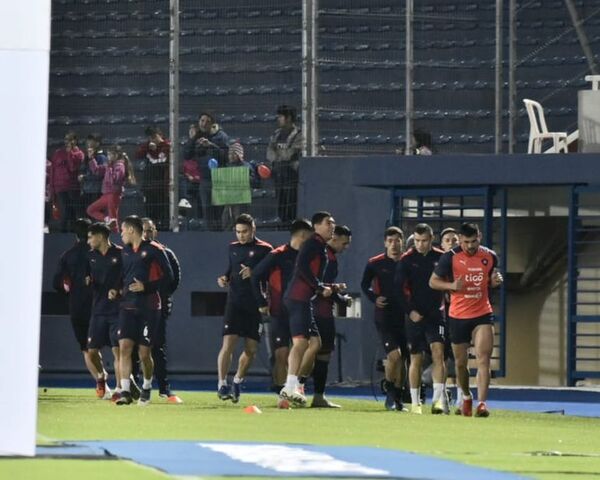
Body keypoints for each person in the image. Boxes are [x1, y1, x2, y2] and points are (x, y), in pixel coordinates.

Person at [429, 222, 503, 417]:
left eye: (474, 241)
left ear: (480, 237)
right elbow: (433, 282)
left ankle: (482, 404)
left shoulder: (490, 256)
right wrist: (452, 285)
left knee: (483, 359)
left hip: (482, 313)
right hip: (458, 315)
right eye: (467, 242)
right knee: (461, 364)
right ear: (460, 240)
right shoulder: (449, 258)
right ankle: (467, 396)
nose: (471, 246)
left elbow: (491, 278)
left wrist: (494, 281)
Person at [115, 215, 175, 406]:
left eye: (123, 230)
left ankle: (147, 386)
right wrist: (115, 290)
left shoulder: (155, 250)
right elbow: (122, 276)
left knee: (144, 353)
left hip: (150, 307)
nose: (121, 234)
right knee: (124, 347)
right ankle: (125, 391)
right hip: (127, 306)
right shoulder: (124, 251)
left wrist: (147, 287)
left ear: (131, 230)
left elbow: (169, 278)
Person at [251, 219, 314, 396]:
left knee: (306, 347)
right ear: (303, 235)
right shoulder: (278, 254)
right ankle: (282, 392)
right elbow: (256, 276)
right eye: (310, 236)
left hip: (300, 310)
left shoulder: (308, 257)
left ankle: (297, 387)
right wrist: (261, 303)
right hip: (279, 312)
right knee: (281, 354)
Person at [279, 211, 336, 406]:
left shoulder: (319, 245)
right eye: (328, 223)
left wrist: (327, 288)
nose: (332, 226)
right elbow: (302, 267)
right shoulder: (313, 243)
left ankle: (294, 385)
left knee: (315, 343)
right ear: (317, 226)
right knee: (301, 343)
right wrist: (319, 287)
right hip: (298, 298)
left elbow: (309, 271)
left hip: (303, 299)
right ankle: (289, 386)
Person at [216, 214, 273, 403]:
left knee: (251, 349)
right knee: (228, 344)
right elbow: (230, 270)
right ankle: (222, 384)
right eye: (238, 232)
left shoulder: (265, 249)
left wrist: (254, 272)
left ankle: (238, 381)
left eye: (244, 231)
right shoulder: (232, 248)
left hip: (255, 305)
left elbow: (271, 276)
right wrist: (223, 278)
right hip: (234, 303)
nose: (241, 235)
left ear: (253, 229)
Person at [396, 223, 446, 414]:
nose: (420, 244)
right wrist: (410, 311)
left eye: (424, 241)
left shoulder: (441, 257)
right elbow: (398, 289)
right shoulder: (407, 260)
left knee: (438, 353)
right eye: (417, 241)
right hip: (415, 316)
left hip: (435, 314)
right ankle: (415, 402)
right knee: (415, 357)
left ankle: (437, 400)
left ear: (431, 239)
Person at [52, 218, 107, 396]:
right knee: (115, 346)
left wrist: (68, 289)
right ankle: (121, 385)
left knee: (86, 348)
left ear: (74, 234)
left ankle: (102, 383)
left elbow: (57, 283)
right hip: (101, 305)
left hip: (78, 307)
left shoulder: (68, 255)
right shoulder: (98, 253)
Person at [303, 225, 352, 408]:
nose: (345, 247)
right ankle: (297, 389)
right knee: (317, 352)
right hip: (319, 311)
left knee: (319, 353)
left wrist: (335, 289)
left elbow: (323, 284)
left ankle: (314, 395)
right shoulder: (327, 257)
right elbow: (322, 288)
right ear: (335, 238)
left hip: (316, 309)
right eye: (344, 243)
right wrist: (340, 299)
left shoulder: (323, 255)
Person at [360, 226, 407, 411]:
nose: (394, 245)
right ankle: (389, 387)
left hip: (405, 316)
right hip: (384, 316)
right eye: (390, 241)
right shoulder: (375, 263)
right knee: (394, 356)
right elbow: (364, 284)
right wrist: (374, 298)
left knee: (404, 359)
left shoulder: (408, 262)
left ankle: (398, 396)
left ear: (402, 242)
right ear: (385, 243)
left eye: (397, 241)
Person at [142, 218, 182, 403]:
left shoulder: (166, 253)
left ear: (155, 231)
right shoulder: (132, 253)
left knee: (157, 346)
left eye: (150, 230)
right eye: (144, 230)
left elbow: (174, 279)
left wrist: (163, 297)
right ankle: (133, 385)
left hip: (158, 307)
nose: (147, 233)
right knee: (134, 347)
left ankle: (164, 388)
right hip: (136, 306)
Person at [86, 222, 123, 400]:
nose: (88, 241)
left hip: (117, 311)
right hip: (98, 310)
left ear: (100, 236)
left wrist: (119, 290)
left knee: (118, 351)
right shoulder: (90, 256)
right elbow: (86, 279)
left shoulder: (120, 253)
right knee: (92, 350)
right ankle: (101, 377)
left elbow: (128, 277)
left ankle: (118, 389)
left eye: (90, 236)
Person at [183, 112, 233, 228]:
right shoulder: (197, 137)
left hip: (220, 178)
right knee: (207, 214)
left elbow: (226, 156)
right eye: (202, 121)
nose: (204, 124)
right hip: (205, 180)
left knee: (220, 214)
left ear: (212, 123)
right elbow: (186, 155)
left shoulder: (221, 136)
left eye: (207, 121)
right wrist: (192, 139)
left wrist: (211, 145)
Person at [266, 105, 303, 225]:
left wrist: (278, 155)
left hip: (292, 175)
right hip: (279, 175)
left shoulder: (298, 134)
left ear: (288, 118)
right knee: (281, 204)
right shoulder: (277, 134)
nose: (278, 119)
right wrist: (280, 157)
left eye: (280, 117)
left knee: (291, 204)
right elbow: (269, 153)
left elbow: (290, 153)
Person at [86, 145, 136, 230]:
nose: (108, 156)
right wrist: (92, 159)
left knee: (113, 217)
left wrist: (109, 168)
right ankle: (106, 219)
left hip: (114, 194)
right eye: (108, 154)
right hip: (106, 194)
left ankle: (115, 235)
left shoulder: (120, 166)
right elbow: (97, 171)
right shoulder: (109, 165)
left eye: (110, 154)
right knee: (91, 210)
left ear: (116, 155)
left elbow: (115, 180)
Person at [136, 127, 171, 230]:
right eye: (151, 138)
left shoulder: (167, 146)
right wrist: (148, 147)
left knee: (164, 211)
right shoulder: (147, 147)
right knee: (151, 212)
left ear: (160, 135)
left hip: (163, 186)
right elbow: (138, 154)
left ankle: (165, 230)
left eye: (155, 136)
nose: (153, 139)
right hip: (150, 187)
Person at [49, 131, 84, 232]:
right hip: (59, 187)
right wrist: (52, 187)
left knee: (71, 212)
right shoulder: (58, 153)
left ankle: (71, 235)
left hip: (72, 186)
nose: (67, 142)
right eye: (66, 139)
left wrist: (70, 153)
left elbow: (73, 168)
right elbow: (52, 170)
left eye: (70, 139)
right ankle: (63, 234)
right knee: (65, 211)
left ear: (75, 141)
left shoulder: (79, 154)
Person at [220, 142, 255, 231]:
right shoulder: (227, 166)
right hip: (229, 198)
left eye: (233, 154)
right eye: (229, 154)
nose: (231, 156)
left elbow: (252, 179)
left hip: (241, 198)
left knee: (239, 217)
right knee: (226, 217)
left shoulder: (246, 166)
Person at [79, 133, 107, 218]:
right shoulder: (88, 156)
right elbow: (83, 169)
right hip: (87, 190)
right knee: (87, 214)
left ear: (97, 143)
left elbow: (99, 174)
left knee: (95, 214)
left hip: (96, 191)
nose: (88, 144)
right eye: (88, 142)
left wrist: (85, 177)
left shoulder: (101, 157)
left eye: (91, 142)